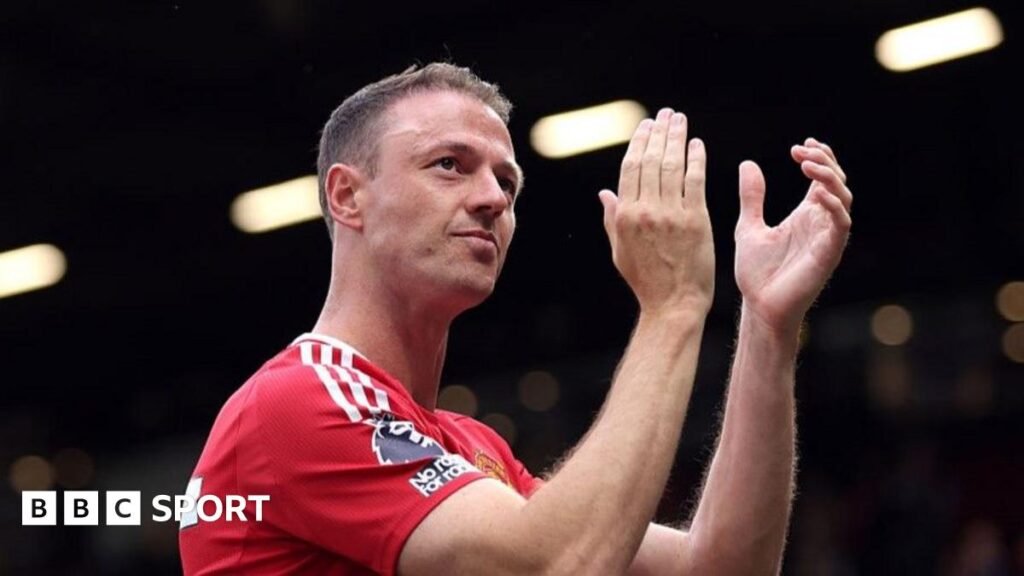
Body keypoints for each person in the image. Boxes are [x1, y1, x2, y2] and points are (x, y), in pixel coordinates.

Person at [179, 62, 852, 575]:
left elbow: (722, 565)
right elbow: (559, 564)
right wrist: (672, 305)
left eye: (507, 182)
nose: (491, 199)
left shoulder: (470, 448)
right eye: (450, 165)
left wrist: (769, 327)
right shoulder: (297, 402)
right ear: (348, 197)